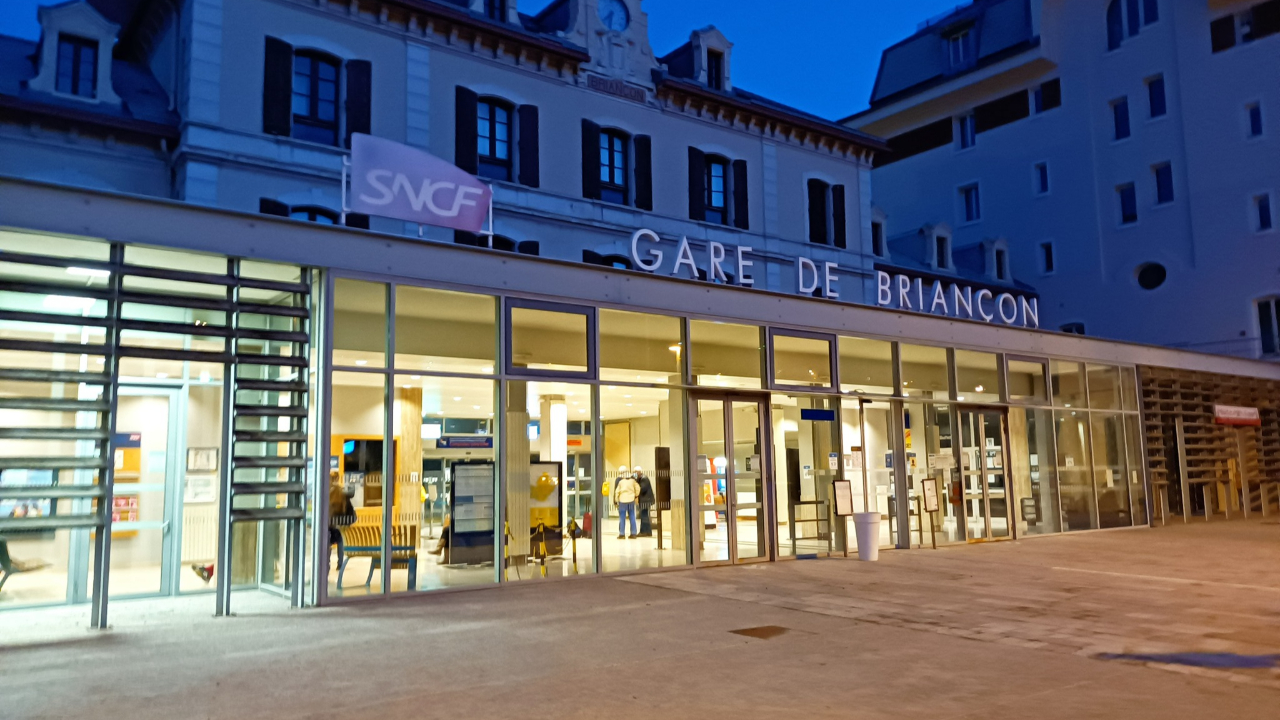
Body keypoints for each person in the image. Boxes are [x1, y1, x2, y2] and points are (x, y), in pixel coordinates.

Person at [612, 466, 641, 539]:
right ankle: (633, 533)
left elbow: (617, 491)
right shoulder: (633, 481)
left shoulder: (620, 481)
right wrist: (635, 495)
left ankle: (622, 534)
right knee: (632, 517)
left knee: (622, 517)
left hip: (622, 501)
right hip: (631, 500)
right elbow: (638, 488)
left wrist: (616, 500)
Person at [634, 465, 655, 537]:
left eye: (635, 472)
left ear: (639, 472)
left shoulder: (644, 479)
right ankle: (644, 531)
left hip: (646, 500)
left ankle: (646, 531)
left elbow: (642, 489)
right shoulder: (641, 478)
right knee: (644, 516)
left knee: (644, 516)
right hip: (644, 500)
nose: (634, 473)